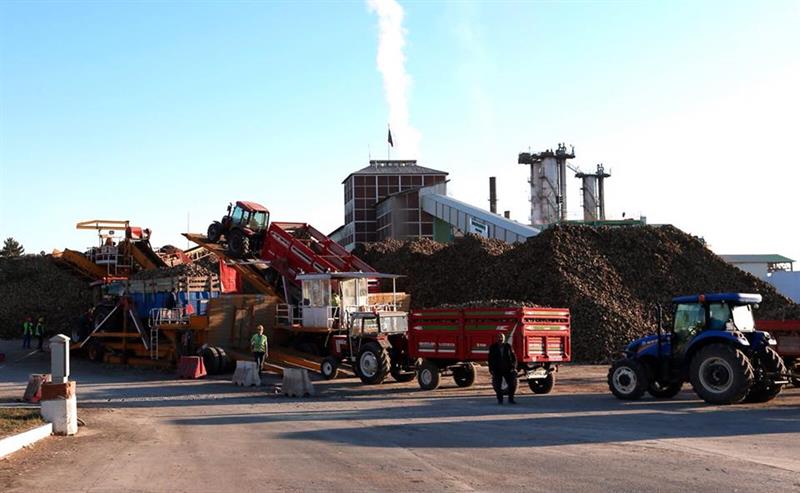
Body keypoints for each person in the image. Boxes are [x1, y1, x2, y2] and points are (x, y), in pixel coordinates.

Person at [488, 332, 517, 404]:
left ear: (504, 339)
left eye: (502, 337)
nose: (500, 338)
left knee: (512, 385)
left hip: (508, 369)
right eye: (499, 337)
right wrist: (491, 369)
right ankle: (500, 400)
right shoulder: (493, 347)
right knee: (497, 386)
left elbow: (514, 357)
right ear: (497, 338)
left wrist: (514, 367)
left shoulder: (508, 346)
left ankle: (511, 399)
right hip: (497, 369)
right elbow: (490, 359)